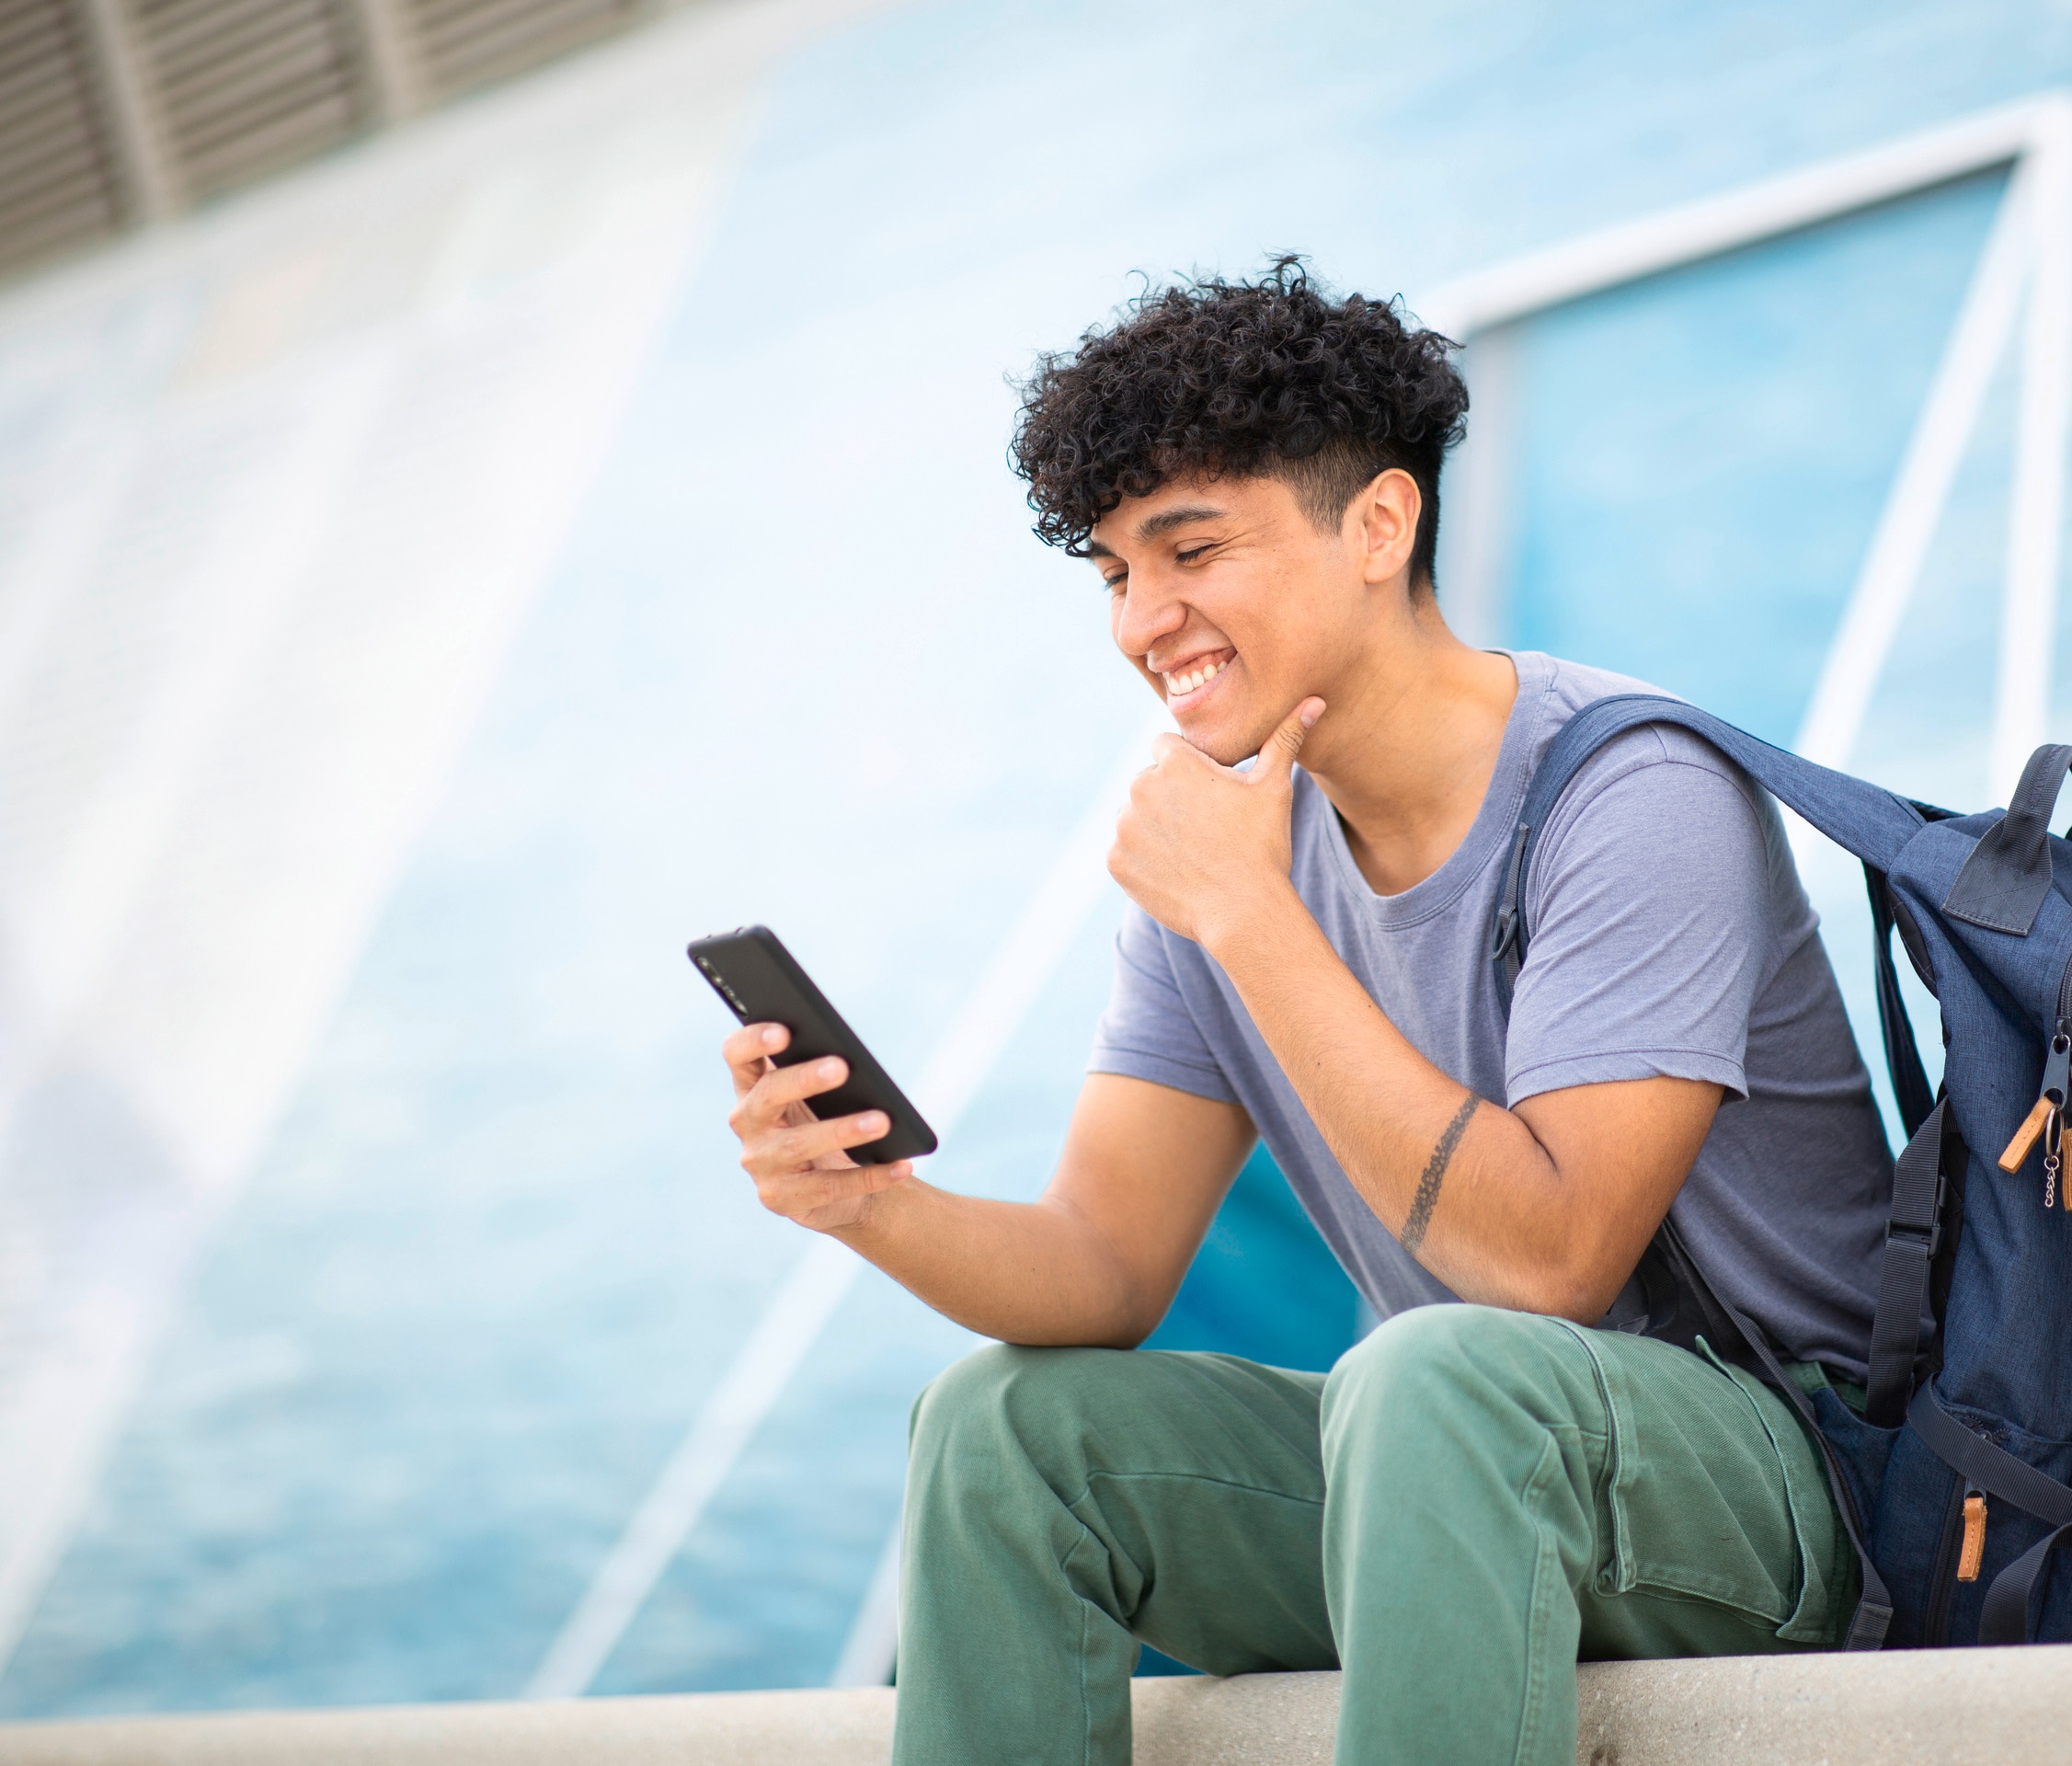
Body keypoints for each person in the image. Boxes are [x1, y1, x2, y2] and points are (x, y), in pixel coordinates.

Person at [721, 258, 1895, 1766]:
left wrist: (1248, 919)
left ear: (1379, 526)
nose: (1145, 619)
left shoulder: (1630, 793)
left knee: (1434, 1373)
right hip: (1460, 1472)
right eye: (1113, 574)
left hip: (1790, 1495)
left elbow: (1546, 1264)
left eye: (1189, 550)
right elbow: (1102, 1266)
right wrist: (870, 1204)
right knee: (1003, 1433)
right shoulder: (1227, 861)